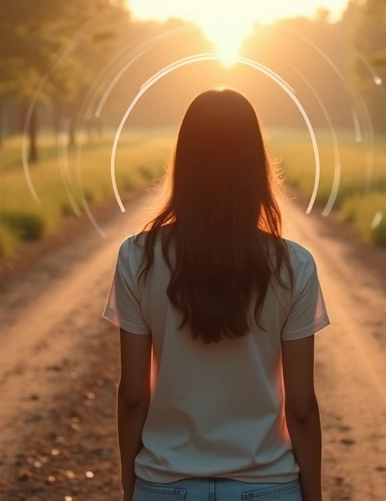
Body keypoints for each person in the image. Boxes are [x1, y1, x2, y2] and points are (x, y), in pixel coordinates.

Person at [103, 88, 330, 501]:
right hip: (267, 485)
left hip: (165, 483)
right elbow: (300, 408)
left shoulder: (138, 257)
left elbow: (133, 396)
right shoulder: (293, 265)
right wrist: (312, 495)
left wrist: (130, 483)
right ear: (255, 167)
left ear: (184, 164)